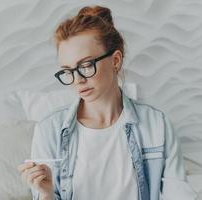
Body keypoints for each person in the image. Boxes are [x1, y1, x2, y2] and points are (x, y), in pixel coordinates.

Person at [17, 5, 197, 200]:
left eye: (85, 66)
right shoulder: (49, 130)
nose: (77, 79)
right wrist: (45, 194)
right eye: (68, 71)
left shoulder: (157, 124)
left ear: (116, 60)